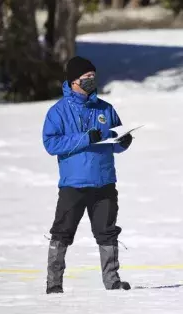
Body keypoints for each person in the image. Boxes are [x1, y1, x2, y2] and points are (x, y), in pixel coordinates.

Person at [42, 56, 133, 294]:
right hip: (73, 184)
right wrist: (85, 138)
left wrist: (124, 141)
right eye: (87, 77)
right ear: (74, 81)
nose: (92, 80)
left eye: (94, 76)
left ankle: (112, 281)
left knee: (108, 232)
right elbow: (51, 144)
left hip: (104, 182)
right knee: (62, 232)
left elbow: (115, 141)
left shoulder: (106, 109)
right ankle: (54, 283)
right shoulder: (58, 112)